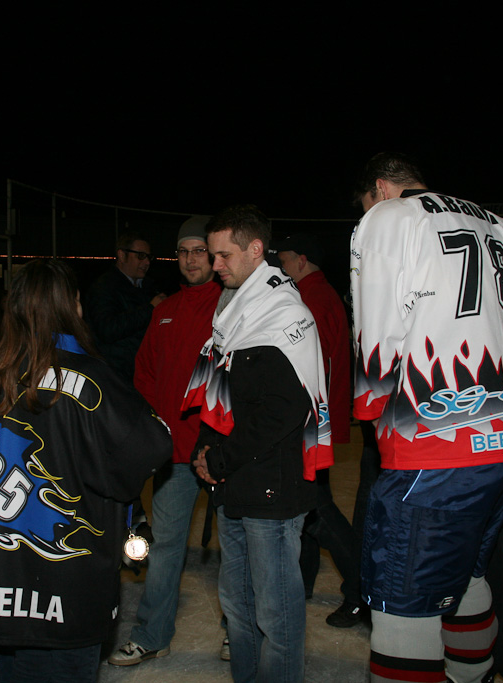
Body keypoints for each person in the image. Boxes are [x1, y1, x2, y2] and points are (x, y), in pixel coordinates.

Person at [350, 152, 503, 683]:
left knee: (403, 599)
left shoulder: (388, 217)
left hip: (436, 442)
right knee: (466, 576)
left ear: (380, 188)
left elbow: (377, 334)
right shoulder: (501, 225)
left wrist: (376, 420)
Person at [0, 258, 171, 682]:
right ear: (71, 306)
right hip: (71, 571)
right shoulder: (93, 377)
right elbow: (153, 445)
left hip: (5, 571)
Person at [187, 204, 330, 683]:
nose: (215, 265)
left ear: (255, 249)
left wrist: (220, 458)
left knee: (276, 614)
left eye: (223, 255)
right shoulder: (237, 310)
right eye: (212, 255)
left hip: (272, 488)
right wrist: (205, 450)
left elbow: (282, 411)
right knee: (238, 605)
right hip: (235, 483)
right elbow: (223, 393)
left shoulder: (284, 313)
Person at [108, 216, 224, 666]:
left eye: (199, 251)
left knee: (236, 549)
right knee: (166, 546)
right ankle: (152, 635)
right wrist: (157, 427)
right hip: (174, 454)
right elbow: (145, 374)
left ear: (214, 256)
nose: (191, 260)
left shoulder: (232, 305)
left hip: (221, 450)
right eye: (183, 252)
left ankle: (239, 630)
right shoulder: (165, 310)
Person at [276, 231, 363, 627]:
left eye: (284, 260)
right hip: (317, 419)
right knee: (308, 505)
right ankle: (304, 580)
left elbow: (310, 364)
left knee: (317, 509)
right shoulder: (318, 293)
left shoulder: (311, 298)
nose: (280, 267)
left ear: (302, 260)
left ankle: (362, 589)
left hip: (310, 422)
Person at [85, 232, 166, 381]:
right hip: (115, 375)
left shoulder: (149, 287)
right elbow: (107, 329)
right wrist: (150, 309)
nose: (147, 262)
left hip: (142, 373)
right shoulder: (104, 288)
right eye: (141, 256)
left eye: (149, 257)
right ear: (122, 255)